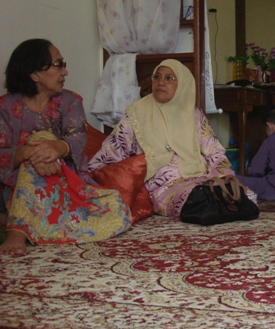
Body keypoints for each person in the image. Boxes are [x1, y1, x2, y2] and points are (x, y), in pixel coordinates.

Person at [0, 39, 131, 256]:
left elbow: (78, 139)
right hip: (18, 187)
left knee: (118, 209)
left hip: (64, 183)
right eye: (58, 65)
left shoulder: (70, 101)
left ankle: (26, 223)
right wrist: (27, 153)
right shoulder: (5, 107)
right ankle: (17, 230)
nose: (65, 71)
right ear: (35, 74)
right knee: (40, 141)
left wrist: (58, 149)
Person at [88, 59, 256, 218]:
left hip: (201, 175)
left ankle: (216, 205)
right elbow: (114, 149)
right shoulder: (136, 113)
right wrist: (94, 177)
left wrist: (225, 174)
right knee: (195, 199)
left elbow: (214, 151)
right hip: (165, 185)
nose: (161, 82)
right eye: (157, 77)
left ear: (182, 84)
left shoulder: (193, 114)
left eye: (169, 78)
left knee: (246, 195)